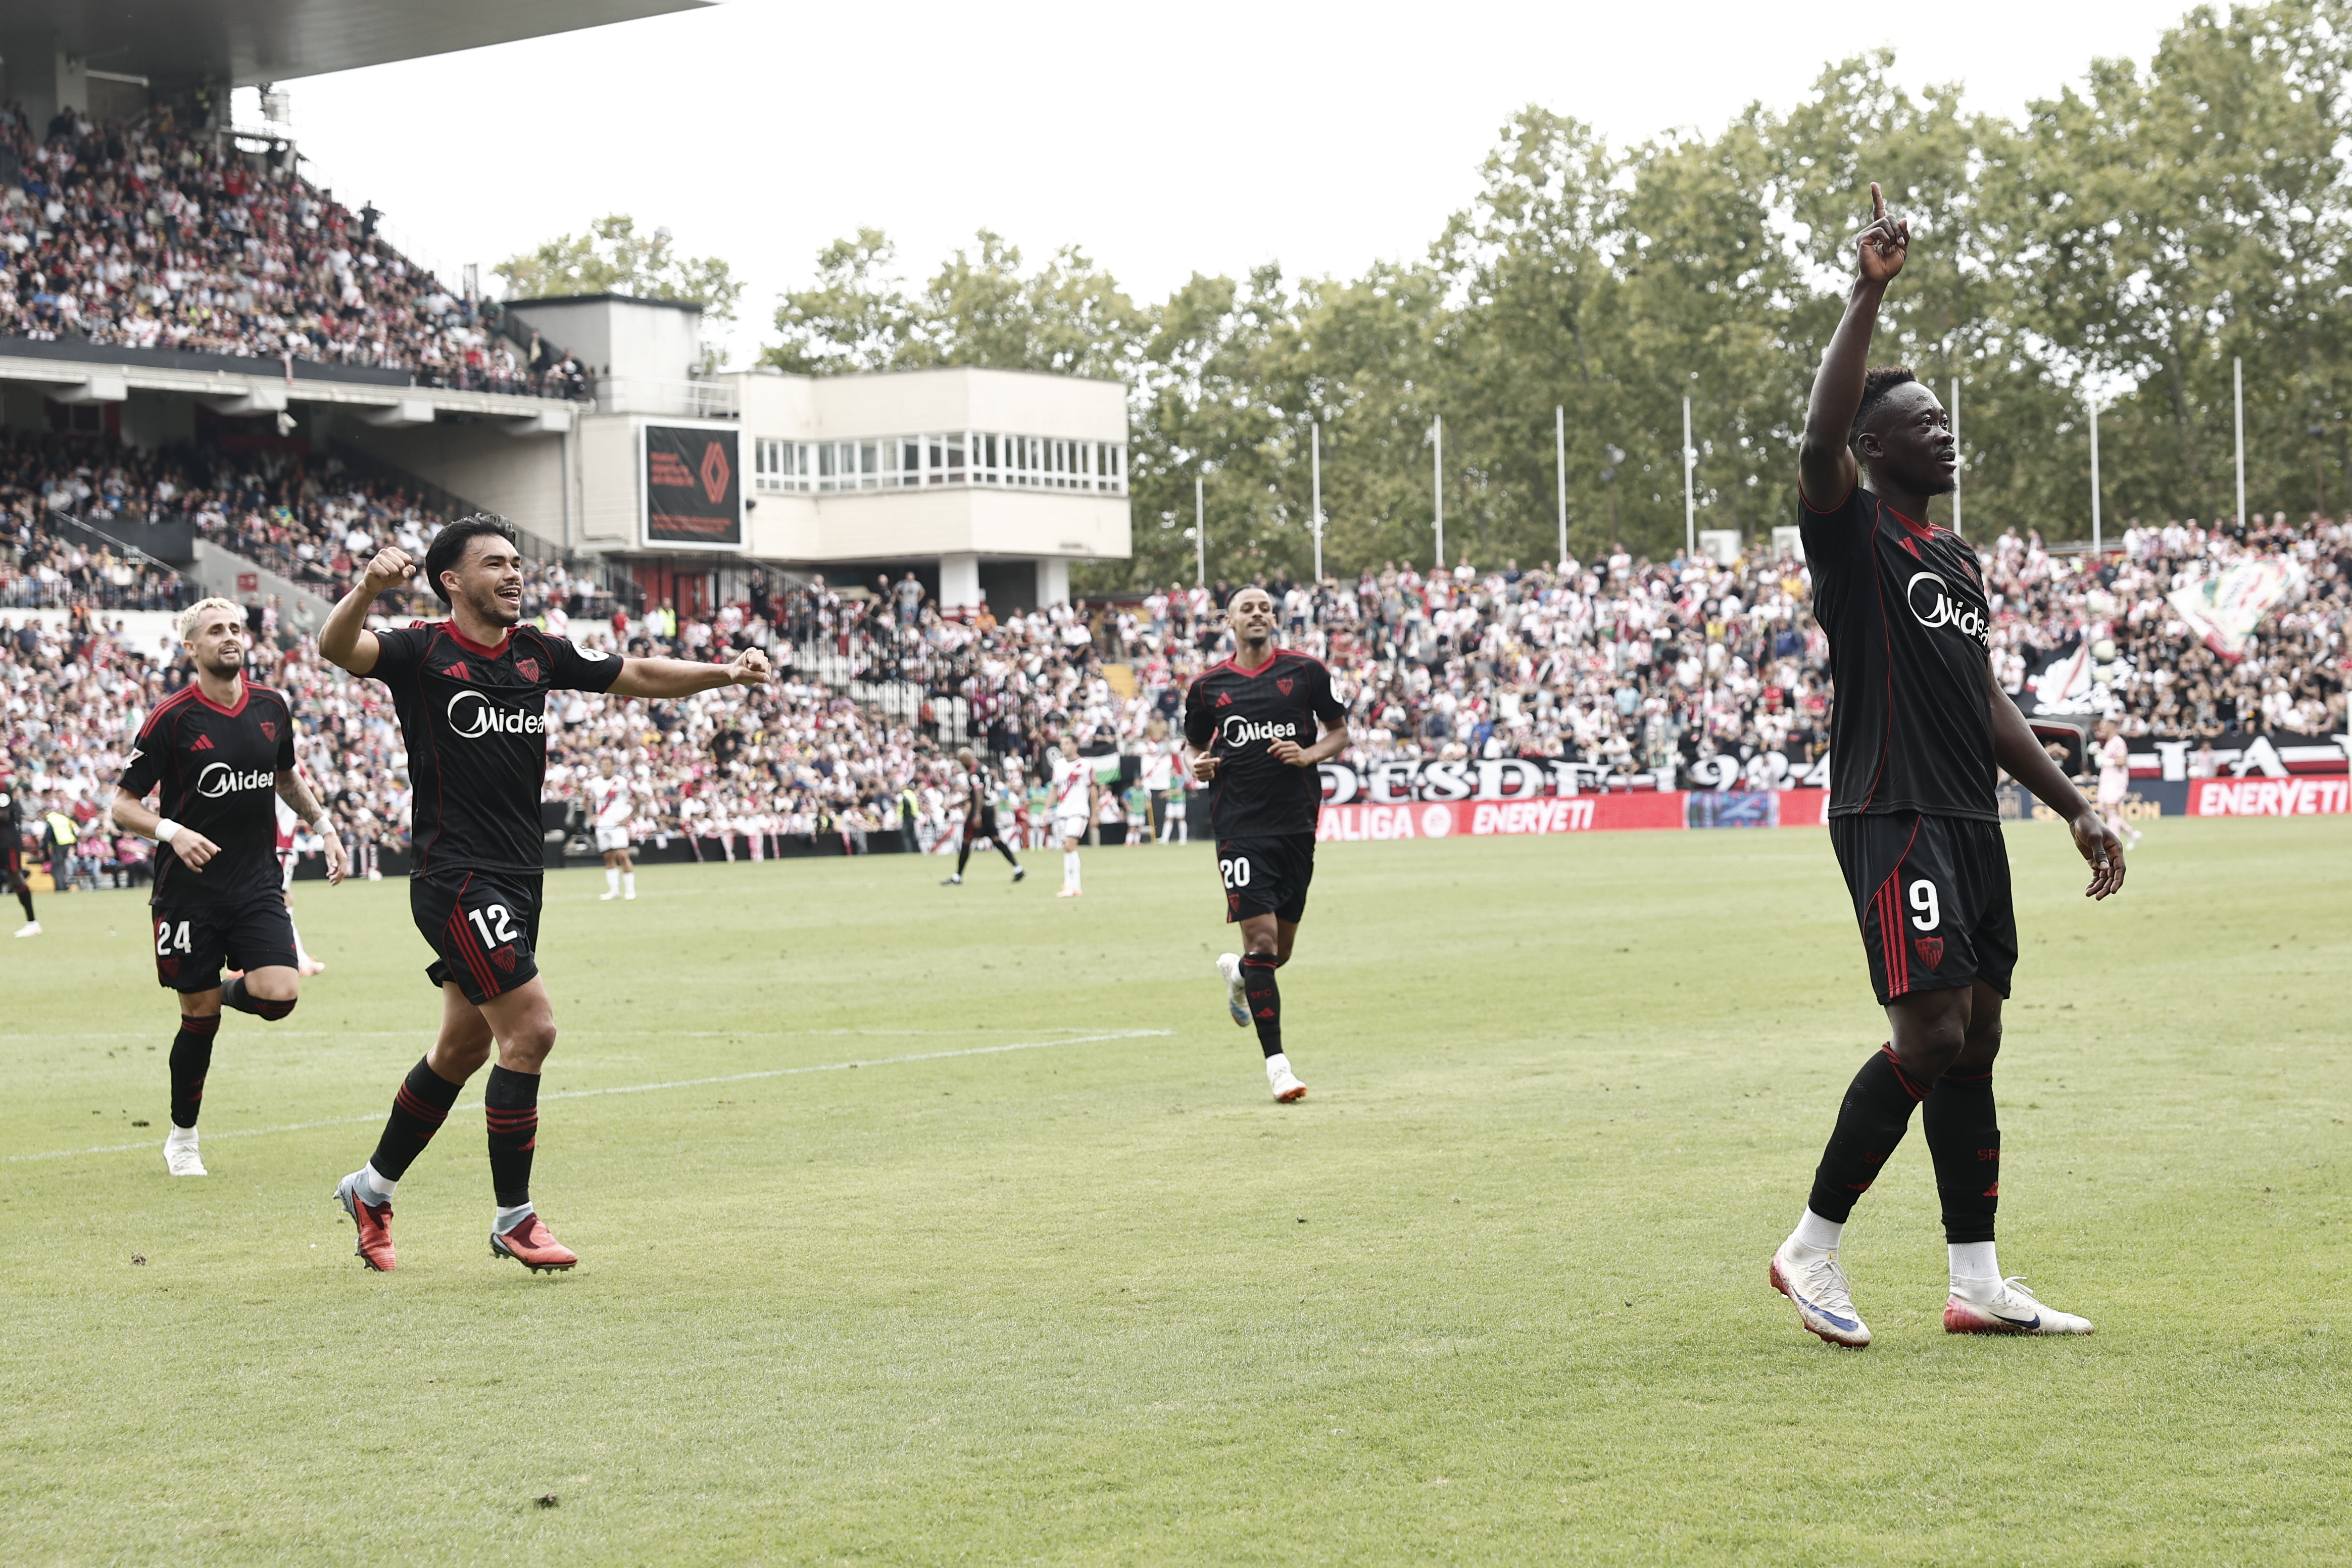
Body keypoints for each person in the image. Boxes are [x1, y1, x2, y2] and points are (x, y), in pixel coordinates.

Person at [1771, 183, 2126, 1348]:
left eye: (1940, 420)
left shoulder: (1956, 557)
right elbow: (1815, 438)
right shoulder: (1850, 524)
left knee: (1974, 1035)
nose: (1944, 432)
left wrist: (2073, 805)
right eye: (1923, 422)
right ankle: (1810, 1246)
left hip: (1968, 817)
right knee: (1924, 1036)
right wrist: (1864, 293)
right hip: (1891, 806)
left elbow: (1983, 698)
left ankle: (1976, 1279)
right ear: (1878, 449)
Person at [317, 515, 773, 1273]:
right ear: (451, 581)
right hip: (453, 876)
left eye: (518, 562)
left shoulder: (538, 653)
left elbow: (639, 676)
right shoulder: (418, 651)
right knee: (532, 1030)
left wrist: (723, 673)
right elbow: (337, 648)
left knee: (462, 1048)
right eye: (494, 563)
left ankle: (370, 1188)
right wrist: (367, 587)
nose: (515, 573)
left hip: (520, 879)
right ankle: (514, 1219)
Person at [111, 597, 348, 1178]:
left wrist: (326, 826)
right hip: (187, 893)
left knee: (279, 995)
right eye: (215, 630)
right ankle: (183, 1138)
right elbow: (121, 805)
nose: (230, 637)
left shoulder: (272, 706)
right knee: (200, 1019)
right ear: (190, 647)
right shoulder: (172, 717)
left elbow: (286, 775)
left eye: (236, 628)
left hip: (256, 885)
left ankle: (212, 992)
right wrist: (172, 831)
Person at [1182, 585, 1351, 1103]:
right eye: (1246, 608)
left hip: (1296, 825)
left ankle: (1237, 975)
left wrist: (1308, 755)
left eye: (1264, 607)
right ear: (1229, 621)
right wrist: (1198, 763)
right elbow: (1194, 743)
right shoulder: (1209, 686)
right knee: (1261, 942)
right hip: (1238, 826)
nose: (1257, 614)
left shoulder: (1306, 672)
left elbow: (1339, 732)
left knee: (1278, 954)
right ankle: (1278, 1066)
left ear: (1273, 619)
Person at [941, 746, 1024, 886]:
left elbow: (979, 794)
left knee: (967, 840)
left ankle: (958, 876)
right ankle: (1018, 868)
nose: (962, 764)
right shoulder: (983, 768)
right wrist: (958, 804)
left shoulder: (974, 771)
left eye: (962, 761)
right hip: (989, 808)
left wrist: (977, 814)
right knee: (996, 839)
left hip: (981, 810)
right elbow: (979, 793)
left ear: (967, 759)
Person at [585, 756, 638, 901]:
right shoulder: (595, 783)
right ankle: (614, 891)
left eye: (608, 765)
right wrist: (591, 817)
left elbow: (638, 797)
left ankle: (630, 890)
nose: (605, 768)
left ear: (613, 766)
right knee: (608, 857)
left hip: (618, 825)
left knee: (622, 855)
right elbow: (586, 799)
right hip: (602, 825)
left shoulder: (622, 782)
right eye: (603, 765)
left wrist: (630, 817)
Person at [1047, 744, 1094, 897]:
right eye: (1062, 744)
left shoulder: (1085, 765)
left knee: (1070, 844)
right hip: (1063, 812)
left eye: (1067, 743)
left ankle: (1073, 886)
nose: (1063, 747)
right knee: (1067, 849)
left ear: (1075, 746)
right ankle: (1072, 885)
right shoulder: (1059, 765)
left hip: (1079, 812)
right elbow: (1055, 788)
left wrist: (1095, 813)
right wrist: (1047, 808)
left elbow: (1093, 789)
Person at [2094, 719, 2142, 850]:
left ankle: (2114, 845)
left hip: (2116, 781)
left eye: (2104, 726)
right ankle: (2133, 834)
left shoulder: (2118, 742)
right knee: (2107, 813)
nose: (2102, 729)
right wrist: (2099, 753)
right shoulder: (2109, 743)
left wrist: (2106, 761)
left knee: (2111, 808)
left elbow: (2122, 761)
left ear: (2112, 726)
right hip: (2106, 781)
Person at [2, 766, 35, 937]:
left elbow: (4, 814)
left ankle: (32, 922)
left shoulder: (2, 786)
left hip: (7, 842)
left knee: (16, 877)